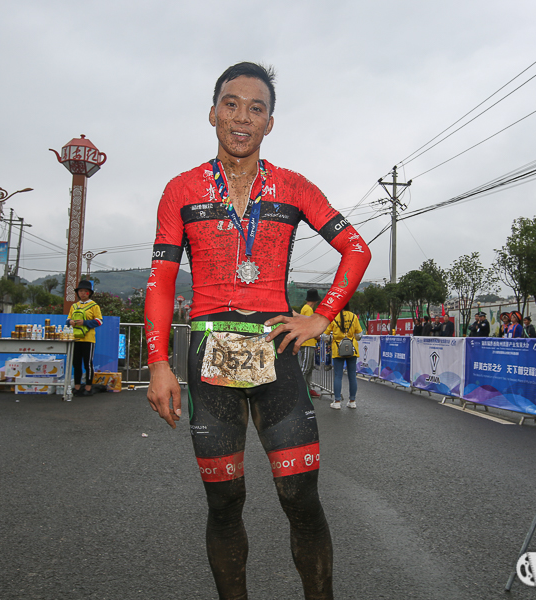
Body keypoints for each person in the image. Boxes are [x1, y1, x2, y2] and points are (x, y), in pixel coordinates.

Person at [144, 62, 370, 600]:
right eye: (231, 104)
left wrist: (323, 315)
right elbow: (159, 281)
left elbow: (356, 249)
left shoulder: (293, 187)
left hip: (277, 348)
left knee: (300, 498)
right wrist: (158, 363)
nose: (241, 117)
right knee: (224, 503)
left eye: (256, 107)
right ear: (212, 113)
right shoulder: (181, 189)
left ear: (270, 122)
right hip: (209, 353)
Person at [323, 302, 363, 409]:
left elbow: (325, 336)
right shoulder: (353, 316)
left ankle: (337, 402)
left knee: (338, 376)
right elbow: (359, 335)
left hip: (337, 350)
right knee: (352, 376)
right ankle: (352, 401)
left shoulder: (333, 317)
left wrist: (332, 339)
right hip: (352, 349)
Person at [66, 280, 103, 396]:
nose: (82, 293)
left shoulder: (94, 306)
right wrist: (70, 322)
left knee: (88, 363)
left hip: (88, 339)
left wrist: (85, 322)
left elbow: (99, 321)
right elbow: (67, 320)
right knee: (76, 363)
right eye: (81, 291)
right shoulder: (74, 306)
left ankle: (88, 387)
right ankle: (77, 387)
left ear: (89, 293)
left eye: (85, 292)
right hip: (75, 338)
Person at [298, 289, 322, 398]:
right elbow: (309, 326)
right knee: (305, 368)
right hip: (307, 342)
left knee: (309, 367)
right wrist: (317, 335)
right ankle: (300, 390)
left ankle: (308, 389)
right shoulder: (308, 310)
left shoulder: (306, 309)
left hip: (309, 342)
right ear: (315, 300)